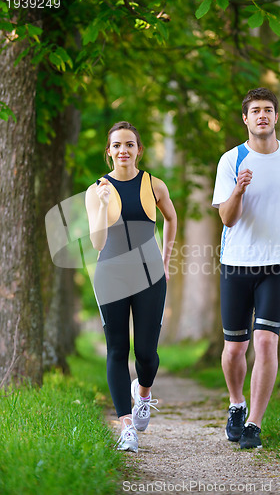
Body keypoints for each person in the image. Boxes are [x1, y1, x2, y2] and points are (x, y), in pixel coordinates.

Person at [212, 88, 280, 449]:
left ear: (276, 116)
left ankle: (254, 423)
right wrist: (238, 190)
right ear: (245, 118)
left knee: (267, 342)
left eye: (268, 110)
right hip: (236, 264)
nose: (262, 116)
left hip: (277, 265)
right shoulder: (231, 160)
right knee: (235, 349)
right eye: (255, 111)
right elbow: (226, 217)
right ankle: (236, 403)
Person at [85, 121, 177, 452]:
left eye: (130, 144)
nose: (124, 150)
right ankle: (126, 427)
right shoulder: (96, 189)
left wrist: (165, 261)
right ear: (108, 152)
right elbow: (97, 242)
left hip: (150, 274)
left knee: (147, 355)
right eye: (117, 145)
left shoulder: (155, 185)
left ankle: (144, 392)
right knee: (116, 349)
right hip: (111, 275)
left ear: (139, 149)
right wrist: (102, 205)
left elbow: (171, 218)